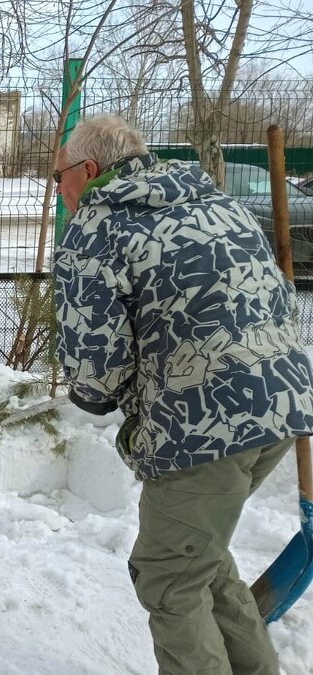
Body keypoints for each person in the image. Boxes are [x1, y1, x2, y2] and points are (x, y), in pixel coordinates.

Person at [53, 114, 313, 674]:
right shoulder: (219, 205)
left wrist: (99, 400)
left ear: (88, 170)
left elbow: (95, 364)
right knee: (202, 559)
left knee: (169, 576)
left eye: (57, 178)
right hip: (283, 405)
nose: (58, 189)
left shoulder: (98, 226)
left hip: (204, 425)